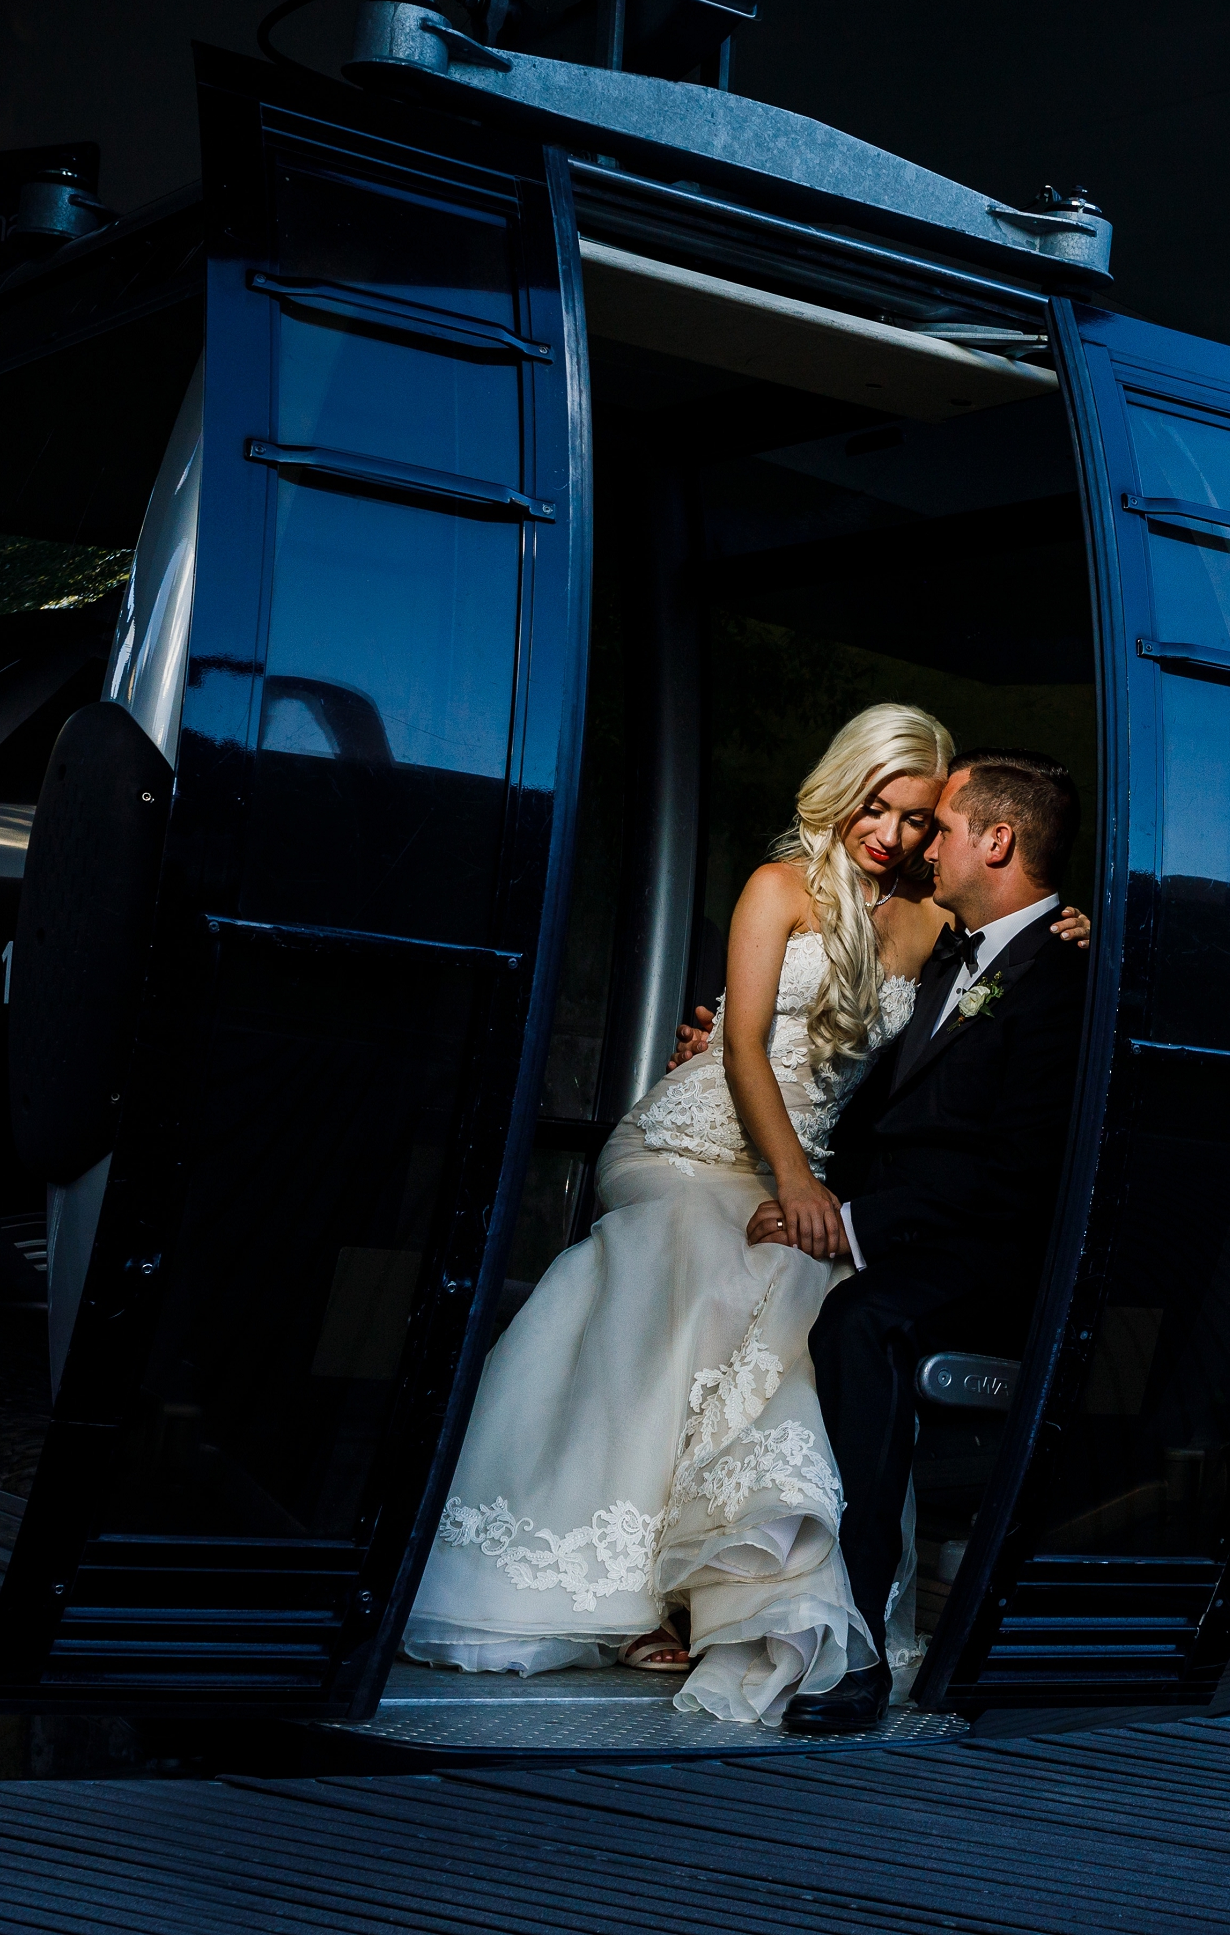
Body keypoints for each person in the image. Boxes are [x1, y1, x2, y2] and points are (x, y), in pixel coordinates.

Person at [401, 706, 1081, 1723]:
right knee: (706, 1258)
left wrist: (1077, 923)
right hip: (693, 1142)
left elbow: (1013, 956)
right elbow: (745, 1045)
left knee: (800, 1292)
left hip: (800, 1174)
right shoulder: (777, 887)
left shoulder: (940, 923)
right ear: (842, 790)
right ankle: (627, 1583)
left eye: (918, 819)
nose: (896, 836)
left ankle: (717, 1587)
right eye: (880, 809)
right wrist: (790, 1176)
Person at [769, 747, 1090, 1735]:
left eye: (941, 827)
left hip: (987, 1255)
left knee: (857, 1324)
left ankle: (859, 1651)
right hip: (912, 1231)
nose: (924, 847)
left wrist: (848, 1226)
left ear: (996, 841)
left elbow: (1014, 1174)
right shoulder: (951, 950)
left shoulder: (1064, 977)